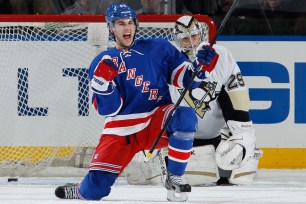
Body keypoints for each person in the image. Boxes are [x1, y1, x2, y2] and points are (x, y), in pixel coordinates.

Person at [54, 3, 219, 202]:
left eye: (130, 22)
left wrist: (200, 68)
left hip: (155, 120)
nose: (127, 28)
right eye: (121, 23)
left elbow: (186, 80)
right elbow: (110, 109)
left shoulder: (159, 48)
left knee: (185, 115)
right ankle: (81, 190)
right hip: (121, 129)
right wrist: (103, 85)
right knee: (95, 191)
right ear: (111, 28)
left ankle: (174, 176)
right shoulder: (104, 60)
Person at [124, 15, 262, 187]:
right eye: (184, 39)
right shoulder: (168, 60)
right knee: (145, 174)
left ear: (201, 34)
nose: (191, 41)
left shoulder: (221, 56)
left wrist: (243, 133)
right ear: (177, 40)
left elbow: (237, 98)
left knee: (232, 165)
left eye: (194, 36)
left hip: (215, 135)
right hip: (177, 136)